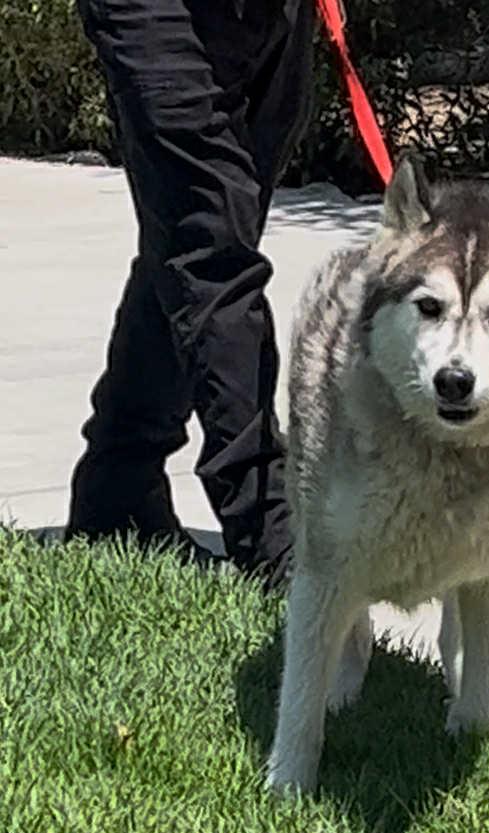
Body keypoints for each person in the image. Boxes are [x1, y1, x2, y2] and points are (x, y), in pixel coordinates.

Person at [64, 0, 316, 589]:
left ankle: (118, 487)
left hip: (272, 19)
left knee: (190, 245)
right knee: (211, 252)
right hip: (157, 12)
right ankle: (274, 540)